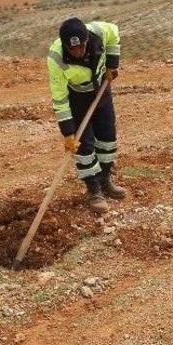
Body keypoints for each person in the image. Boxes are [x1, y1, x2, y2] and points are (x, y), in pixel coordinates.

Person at [47, 17, 126, 213]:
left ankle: (105, 180)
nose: (78, 51)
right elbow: (59, 98)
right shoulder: (56, 58)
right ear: (66, 46)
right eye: (72, 49)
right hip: (78, 99)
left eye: (81, 46)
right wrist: (68, 133)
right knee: (84, 145)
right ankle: (94, 190)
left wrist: (112, 64)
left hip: (101, 91)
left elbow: (114, 34)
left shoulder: (99, 31)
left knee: (107, 138)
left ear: (86, 40)